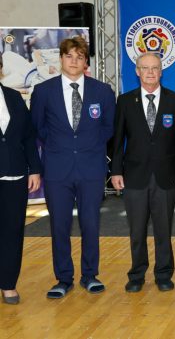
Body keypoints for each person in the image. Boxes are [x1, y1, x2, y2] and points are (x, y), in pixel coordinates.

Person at [30, 37, 115, 299]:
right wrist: (61, 145)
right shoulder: (43, 91)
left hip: (91, 169)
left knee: (90, 224)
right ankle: (63, 278)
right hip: (57, 169)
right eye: (69, 56)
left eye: (79, 56)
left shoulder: (103, 91)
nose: (74, 61)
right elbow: (38, 128)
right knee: (59, 226)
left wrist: (89, 146)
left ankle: (90, 275)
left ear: (86, 61)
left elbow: (108, 128)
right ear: (61, 59)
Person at [111, 52, 175, 293]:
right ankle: (137, 274)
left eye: (155, 68)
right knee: (136, 231)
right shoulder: (125, 101)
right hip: (134, 176)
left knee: (163, 229)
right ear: (137, 71)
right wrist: (116, 171)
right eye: (145, 68)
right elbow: (117, 140)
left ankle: (164, 274)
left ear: (161, 71)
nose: (150, 72)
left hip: (166, 175)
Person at [0, 53, 42, 304]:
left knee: (13, 231)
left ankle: (8, 284)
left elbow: (28, 136)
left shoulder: (14, 97)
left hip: (15, 175)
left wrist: (34, 169)